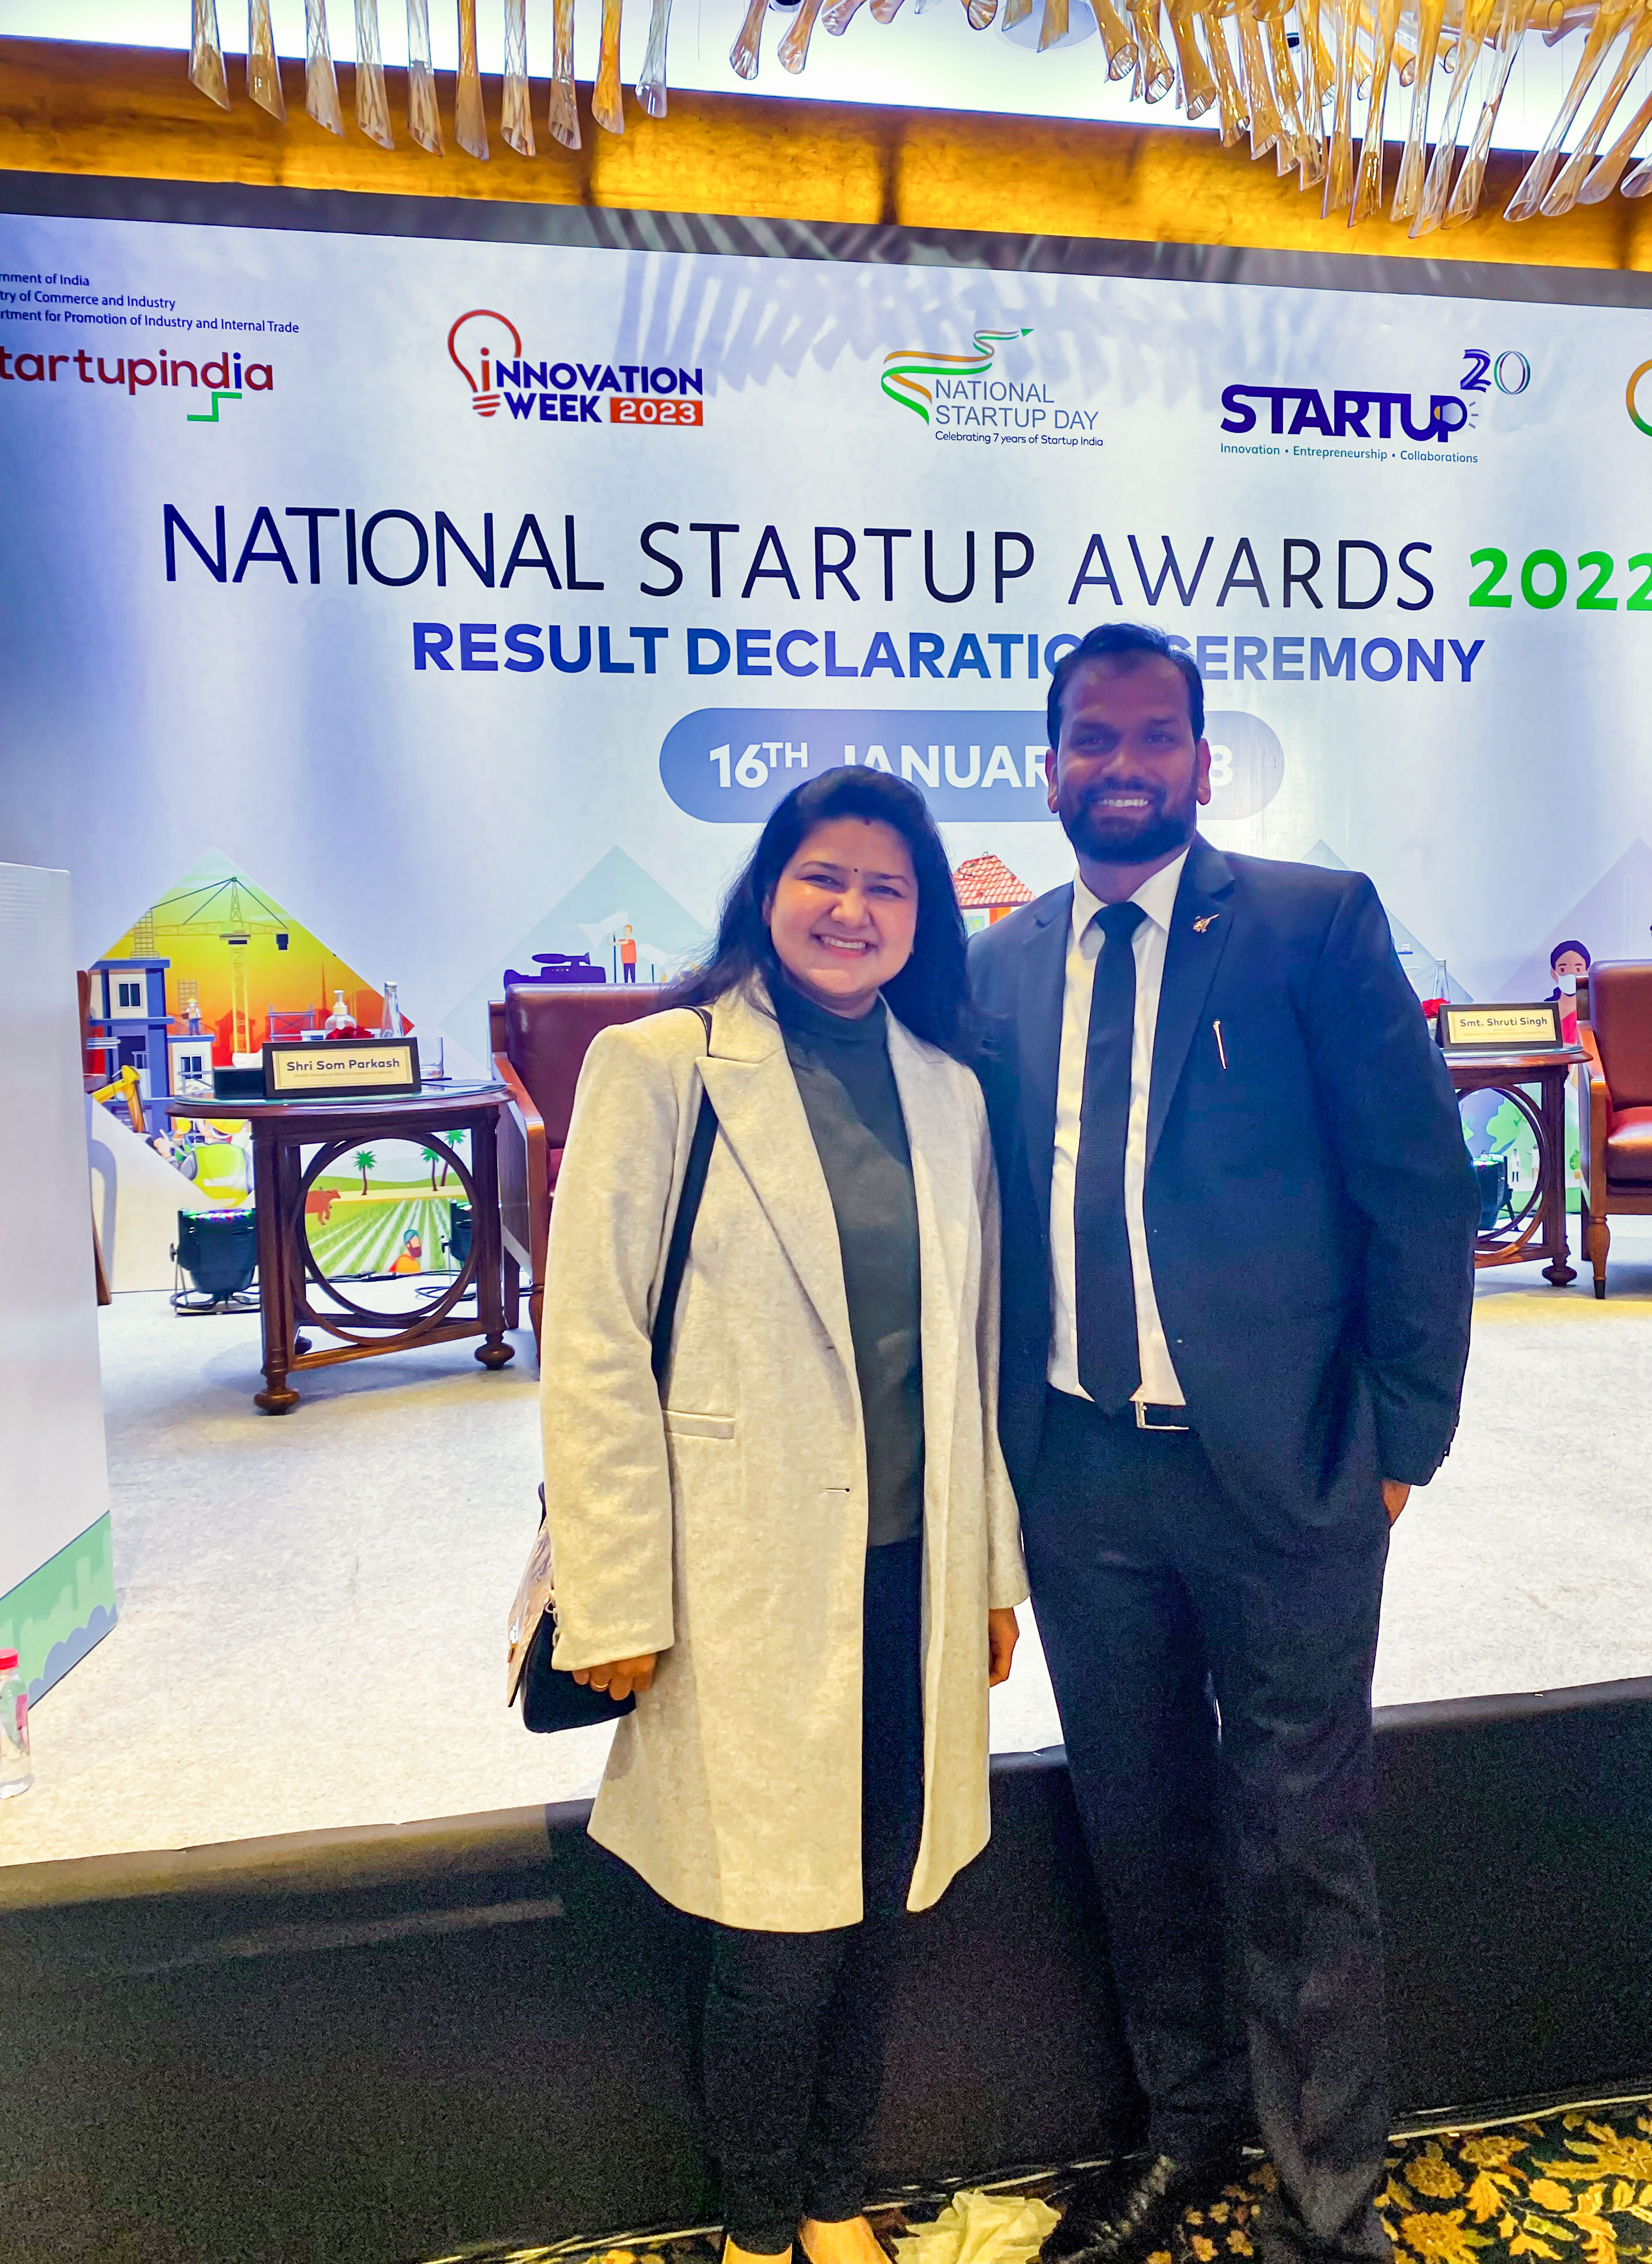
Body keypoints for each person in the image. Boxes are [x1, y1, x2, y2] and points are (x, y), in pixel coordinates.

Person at [967, 624, 1478, 2264]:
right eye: (1092, 738)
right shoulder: (999, 963)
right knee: (1138, 1826)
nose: (1121, 766)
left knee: (1300, 1843)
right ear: (1048, 764)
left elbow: (1418, 1189)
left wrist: (1401, 1442)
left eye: (1153, 737)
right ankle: (1186, 2131)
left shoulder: (1312, 924)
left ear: (1201, 761)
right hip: (1081, 1475)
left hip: (1285, 1472)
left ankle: (1325, 2210)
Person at [541, 767, 1028, 2264]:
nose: (852, 911)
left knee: (881, 1905)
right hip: (737, 1570)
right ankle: (759, 2228)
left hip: (911, 1569)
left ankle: (834, 2200)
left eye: (888, 888)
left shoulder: (949, 1093)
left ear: (923, 918)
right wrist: (616, 1593)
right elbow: (594, 1344)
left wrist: (991, 1572)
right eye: (825, 876)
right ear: (767, 889)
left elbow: (973, 1356)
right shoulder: (661, 1065)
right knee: (775, 1930)